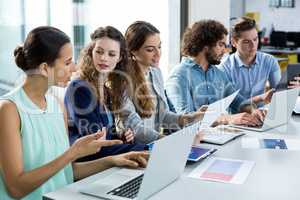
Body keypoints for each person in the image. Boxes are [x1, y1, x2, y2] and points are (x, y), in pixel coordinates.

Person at [0, 26, 148, 200]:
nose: (74, 67)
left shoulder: (56, 105)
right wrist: (73, 153)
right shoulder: (9, 110)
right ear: (45, 68)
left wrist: (115, 160)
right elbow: (16, 188)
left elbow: (66, 172)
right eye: (68, 62)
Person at [64, 26, 147, 161]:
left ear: (119, 58)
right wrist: (145, 149)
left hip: (107, 163)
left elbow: (107, 138)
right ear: (91, 52)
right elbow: (95, 145)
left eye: (111, 54)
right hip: (89, 168)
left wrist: (120, 137)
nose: (103, 58)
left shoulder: (106, 90)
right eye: (99, 52)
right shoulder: (79, 89)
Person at [115, 21, 205, 144]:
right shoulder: (122, 81)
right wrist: (172, 141)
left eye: (159, 47)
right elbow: (135, 128)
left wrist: (189, 118)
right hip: (136, 150)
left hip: (156, 146)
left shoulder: (155, 73)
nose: (158, 53)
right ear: (133, 51)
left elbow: (162, 116)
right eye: (150, 49)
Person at [165, 19, 263, 126]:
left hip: (215, 136)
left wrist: (253, 110)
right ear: (205, 46)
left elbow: (237, 101)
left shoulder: (218, 74)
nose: (224, 50)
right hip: (188, 140)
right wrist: (227, 119)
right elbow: (186, 119)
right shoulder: (179, 75)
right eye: (221, 45)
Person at [218, 17, 281, 106]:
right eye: (246, 41)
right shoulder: (224, 67)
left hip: (262, 114)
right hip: (236, 117)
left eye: (255, 39)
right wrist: (261, 98)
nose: (253, 45)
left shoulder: (269, 61)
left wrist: (293, 88)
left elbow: (279, 92)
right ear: (234, 42)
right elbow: (234, 102)